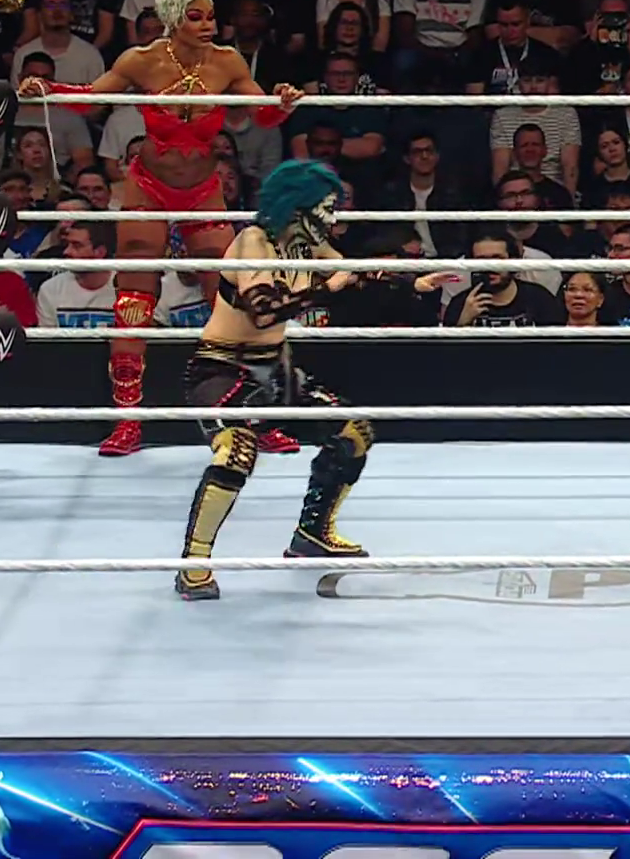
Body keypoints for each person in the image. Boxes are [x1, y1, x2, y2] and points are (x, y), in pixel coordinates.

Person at [16, 0, 305, 458]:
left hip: (203, 189)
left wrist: (283, 103)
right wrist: (48, 88)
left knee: (236, 299)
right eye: (196, 17)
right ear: (173, 19)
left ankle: (255, 417)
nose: (208, 25)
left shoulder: (228, 62)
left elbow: (262, 114)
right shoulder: (141, 60)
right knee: (134, 299)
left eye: (211, 16)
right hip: (148, 187)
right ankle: (128, 421)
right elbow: (91, 97)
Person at [174, 160, 450, 601]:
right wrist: (328, 289)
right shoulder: (254, 242)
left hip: (275, 369)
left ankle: (313, 533)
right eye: (326, 207)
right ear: (298, 206)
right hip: (222, 369)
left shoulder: (305, 246)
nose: (333, 218)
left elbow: (356, 272)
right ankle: (193, 564)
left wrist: (413, 286)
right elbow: (263, 311)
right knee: (237, 453)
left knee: (352, 432)